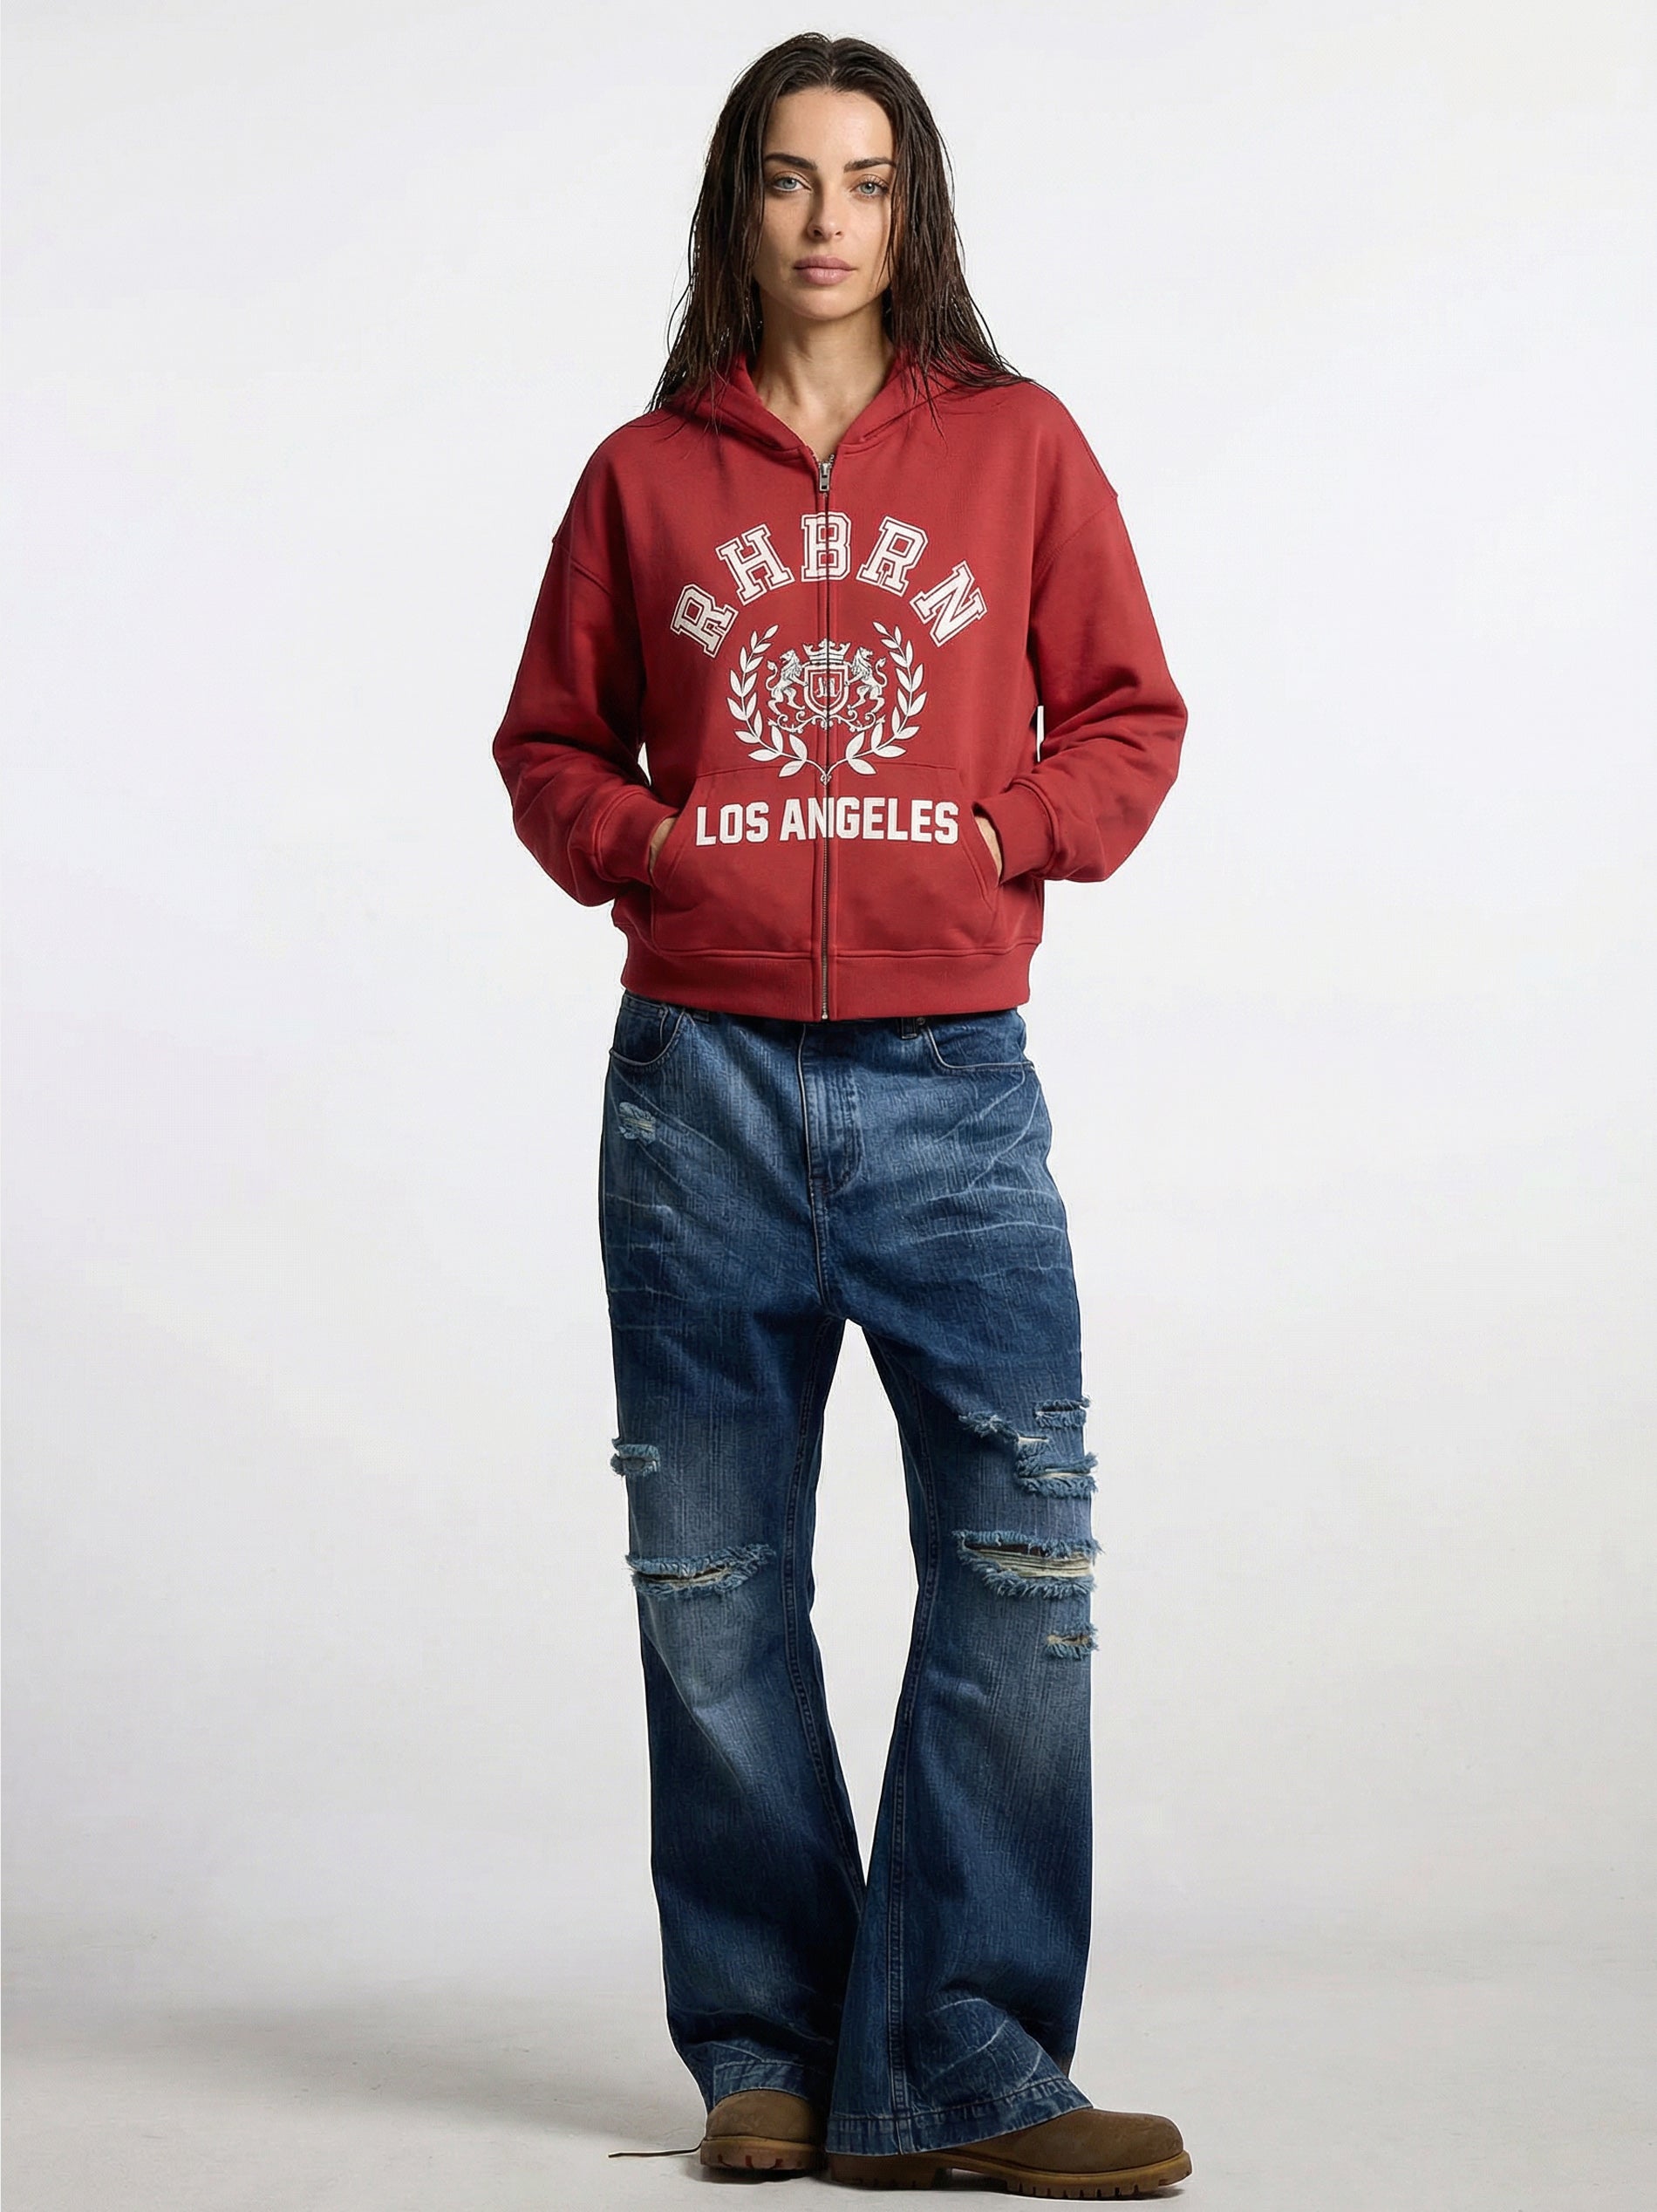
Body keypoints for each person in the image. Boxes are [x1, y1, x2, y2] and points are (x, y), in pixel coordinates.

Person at [490, 31, 1191, 2196]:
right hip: (694, 1092)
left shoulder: (1017, 445)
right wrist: (653, 849)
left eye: (865, 180)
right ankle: (770, 2047)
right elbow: (546, 746)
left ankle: (963, 2052)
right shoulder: (641, 475)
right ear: (738, 204)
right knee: (711, 1576)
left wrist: (997, 836)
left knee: (1016, 1555)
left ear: (913, 208)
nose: (825, 220)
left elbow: (1132, 717)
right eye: (789, 178)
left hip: (949, 1087)